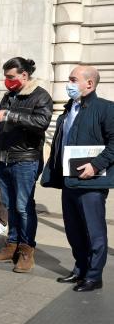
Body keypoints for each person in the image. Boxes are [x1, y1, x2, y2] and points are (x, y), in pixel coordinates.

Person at [41, 66, 114, 292]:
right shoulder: (68, 109)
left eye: (73, 79)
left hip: (91, 183)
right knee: (74, 231)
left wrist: (95, 165)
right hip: (69, 180)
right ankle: (80, 269)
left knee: (94, 232)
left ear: (89, 84)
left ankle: (94, 276)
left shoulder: (105, 109)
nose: (68, 84)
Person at [0, 57, 53, 274]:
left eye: (11, 77)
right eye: (6, 77)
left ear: (24, 75)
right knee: (10, 205)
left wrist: (10, 115)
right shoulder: (9, 96)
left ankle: (26, 250)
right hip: (5, 159)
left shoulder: (40, 95)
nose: (7, 81)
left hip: (25, 159)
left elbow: (41, 123)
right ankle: (12, 245)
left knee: (24, 206)